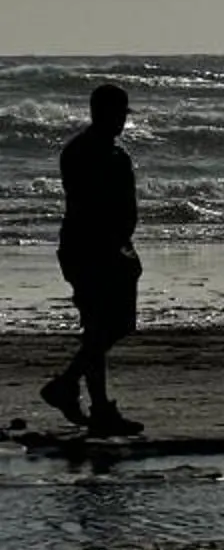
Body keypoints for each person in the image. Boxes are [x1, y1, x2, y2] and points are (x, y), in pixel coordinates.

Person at [41, 83, 143, 437]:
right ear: (103, 113)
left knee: (99, 328)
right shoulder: (102, 155)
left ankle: (96, 406)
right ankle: (70, 386)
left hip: (84, 247)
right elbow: (100, 208)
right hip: (97, 249)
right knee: (112, 325)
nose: (121, 122)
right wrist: (119, 247)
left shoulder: (80, 151)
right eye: (119, 114)